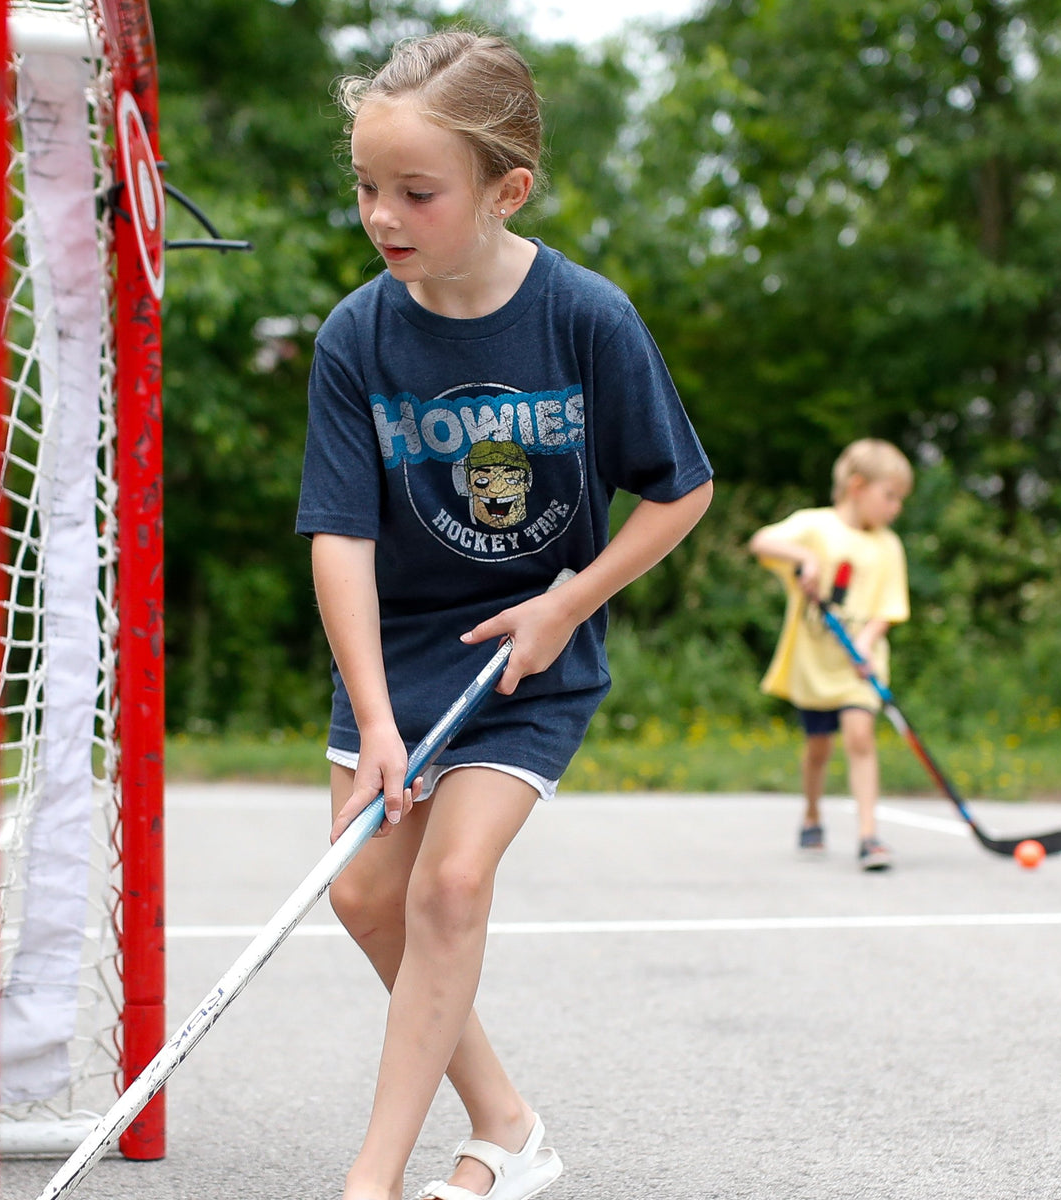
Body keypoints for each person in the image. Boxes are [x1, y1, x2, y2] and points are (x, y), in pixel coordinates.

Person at [295, 28, 713, 1200]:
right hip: (400, 658)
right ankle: (508, 1124)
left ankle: (371, 1180)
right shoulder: (355, 336)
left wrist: (567, 604)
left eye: (416, 192)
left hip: (531, 654)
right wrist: (377, 719)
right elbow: (341, 536)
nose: (382, 216)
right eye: (366, 187)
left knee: (449, 886)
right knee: (364, 895)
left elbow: (680, 492)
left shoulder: (586, 317)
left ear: (506, 190)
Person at [748, 438, 913, 871]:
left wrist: (866, 643)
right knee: (818, 748)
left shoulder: (888, 545)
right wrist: (804, 558)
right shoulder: (815, 526)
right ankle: (812, 815)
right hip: (815, 666)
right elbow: (762, 541)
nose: (896, 507)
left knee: (860, 737)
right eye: (890, 495)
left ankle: (868, 836)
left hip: (859, 666)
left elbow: (888, 608)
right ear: (857, 486)